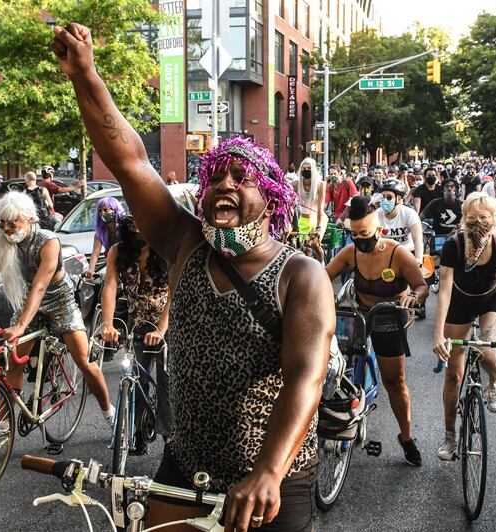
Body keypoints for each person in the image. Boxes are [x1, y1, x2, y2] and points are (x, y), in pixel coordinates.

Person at [54, 23, 334, 529]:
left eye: (240, 178)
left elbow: (305, 378)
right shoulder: (186, 243)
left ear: (270, 199)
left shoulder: (302, 275)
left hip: (274, 479)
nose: (224, 184)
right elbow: (130, 162)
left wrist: (269, 472)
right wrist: (86, 76)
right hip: (185, 466)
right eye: (215, 178)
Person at [0, 192, 113, 456]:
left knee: (84, 361)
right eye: (2, 223)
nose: (7, 229)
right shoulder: (1, 242)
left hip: (59, 300)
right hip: (29, 304)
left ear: (29, 219)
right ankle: (2, 428)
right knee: (13, 362)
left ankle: (109, 415)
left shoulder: (48, 241)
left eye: (13, 223)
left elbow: (39, 286)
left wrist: (21, 326)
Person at [325, 195, 429, 466]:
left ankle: (406, 437)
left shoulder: (398, 253)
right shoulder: (350, 252)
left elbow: (422, 286)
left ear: (380, 231)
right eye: (354, 234)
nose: (360, 240)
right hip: (357, 311)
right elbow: (323, 277)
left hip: (388, 315)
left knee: (394, 382)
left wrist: (413, 298)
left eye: (366, 234)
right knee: (331, 367)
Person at [433, 192, 496, 459]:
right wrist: (438, 334)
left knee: (488, 351)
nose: (478, 222)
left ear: (494, 219)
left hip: (491, 300)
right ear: (463, 219)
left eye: (484, 217)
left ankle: (495, 380)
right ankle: (449, 435)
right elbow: (444, 291)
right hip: (460, 301)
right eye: (471, 218)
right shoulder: (453, 245)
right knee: (454, 372)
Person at [101, 214, 173, 448]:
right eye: (133, 230)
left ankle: (170, 436)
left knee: (166, 378)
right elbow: (110, 286)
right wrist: (108, 323)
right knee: (134, 377)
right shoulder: (117, 251)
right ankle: (137, 432)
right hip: (137, 321)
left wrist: (161, 330)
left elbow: (175, 294)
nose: (139, 235)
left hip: (166, 321)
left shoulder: (166, 249)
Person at [376, 179, 424, 265]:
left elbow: (418, 240)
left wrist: (418, 258)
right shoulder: (376, 214)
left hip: (408, 253)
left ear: (398, 199)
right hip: (384, 255)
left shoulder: (410, 214)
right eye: (382, 197)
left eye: (389, 197)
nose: (385, 200)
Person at [294, 157, 326, 262]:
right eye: (303, 168)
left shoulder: (320, 184)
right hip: (303, 219)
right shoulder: (296, 183)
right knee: (305, 249)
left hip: (317, 218)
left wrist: (318, 227)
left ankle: (322, 266)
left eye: (308, 168)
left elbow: (320, 207)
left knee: (315, 245)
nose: (306, 170)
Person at [85, 196, 125, 276]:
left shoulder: (124, 227)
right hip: (113, 264)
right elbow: (95, 253)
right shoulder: (100, 233)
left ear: (115, 210)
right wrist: (91, 269)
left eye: (105, 210)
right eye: (100, 211)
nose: (102, 213)